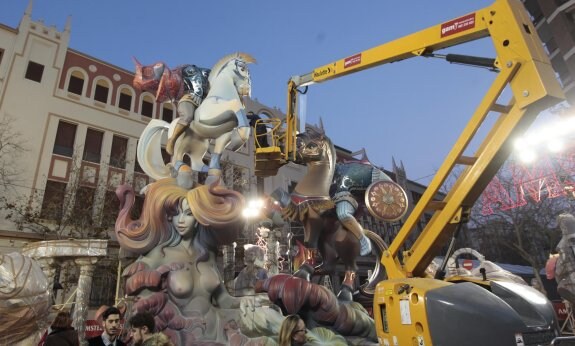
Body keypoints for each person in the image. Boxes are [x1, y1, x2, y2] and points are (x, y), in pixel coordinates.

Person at [116, 178, 246, 344]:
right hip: (181, 337)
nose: (181, 220)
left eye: (188, 213)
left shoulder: (208, 253)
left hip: (218, 327)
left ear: (199, 217)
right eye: (175, 214)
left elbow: (224, 299)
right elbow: (144, 309)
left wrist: (249, 302)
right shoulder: (158, 254)